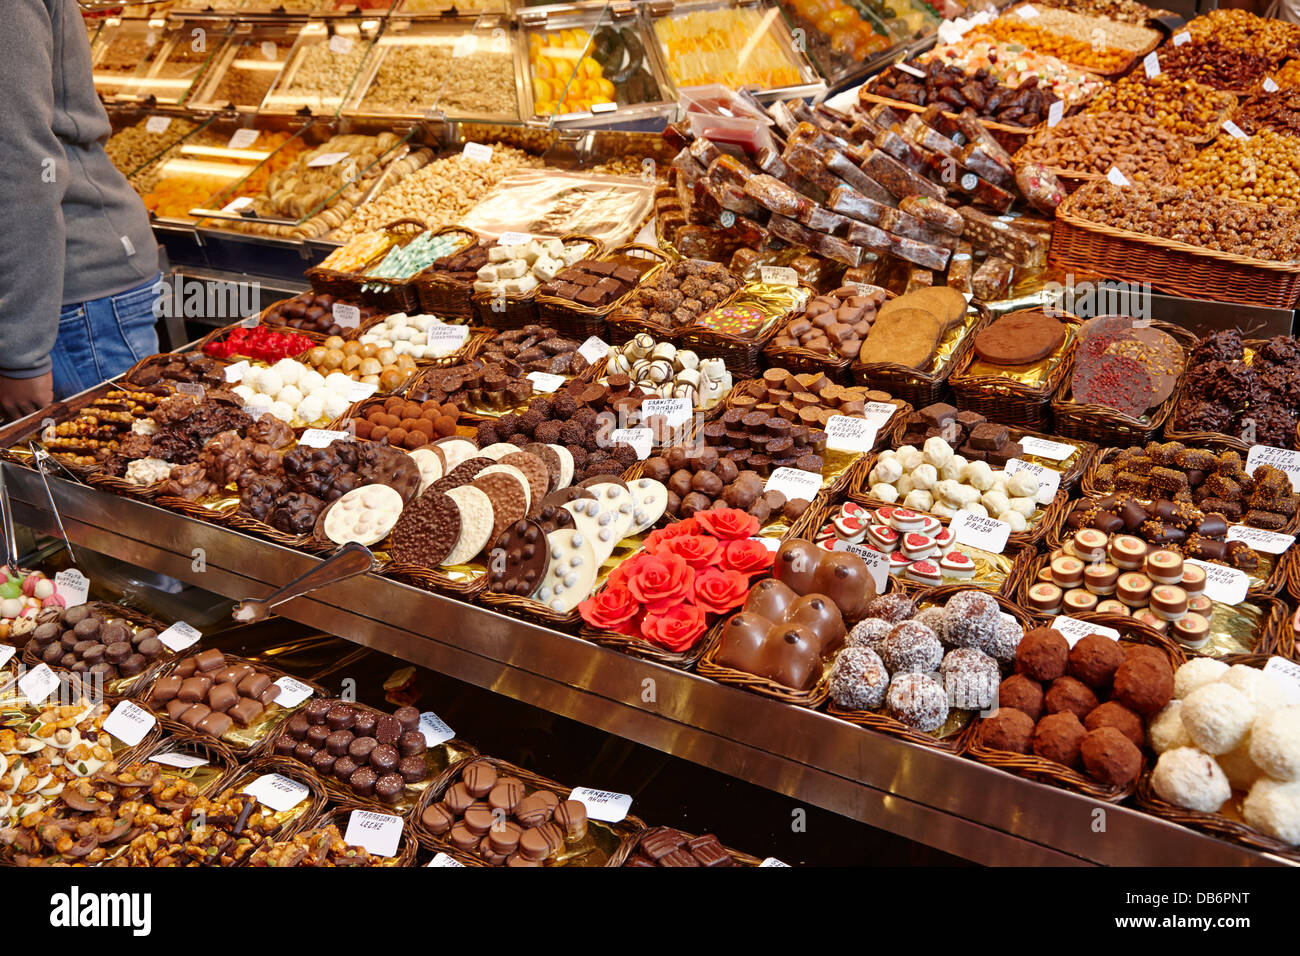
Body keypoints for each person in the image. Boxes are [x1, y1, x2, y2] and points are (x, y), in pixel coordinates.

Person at [0, 0, 162, 421]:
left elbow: (19, 162)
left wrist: (21, 353)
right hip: (40, 301)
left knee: (106, 481)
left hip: (66, 304)